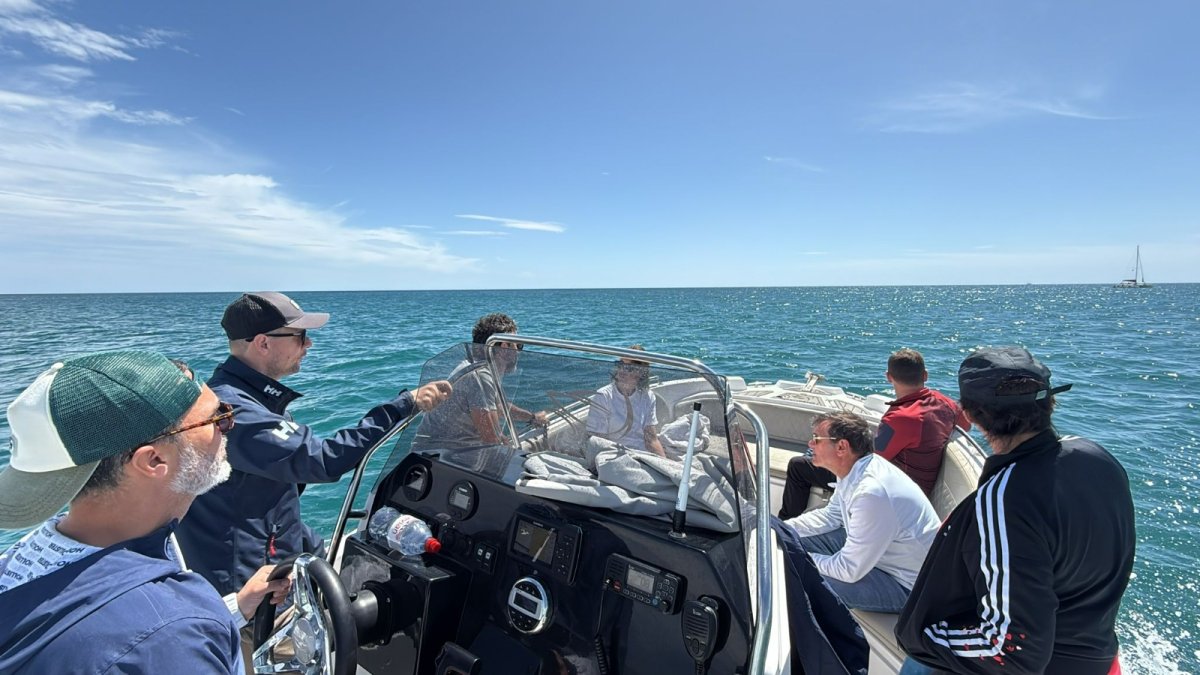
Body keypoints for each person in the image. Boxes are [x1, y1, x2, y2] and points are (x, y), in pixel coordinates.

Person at [0, 351, 289, 673]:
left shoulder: (30, 554)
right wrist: (193, 618)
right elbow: (152, 636)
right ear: (154, 461)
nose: (227, 427)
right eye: (217, 418)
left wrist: (235, 608)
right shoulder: (171, 633)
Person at [174, 293, 451, 615]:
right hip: (254, 593)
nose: (309, 346)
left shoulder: (247, 399)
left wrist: (308, 547)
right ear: (263, 343)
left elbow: (269, 491)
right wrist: (403, 405)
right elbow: (323, 459)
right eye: (300, 337)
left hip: (272, 566)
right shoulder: (238, 412)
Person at [895, 347, 1135, 674]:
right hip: (1100, 657)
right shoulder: (1098, 458)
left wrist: (919, 634)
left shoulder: (1003, 498)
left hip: (1050, 666)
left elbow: (1009, 650)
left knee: (918, 664)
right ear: (1049, 402)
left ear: (971, 415)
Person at [779, 348, 969, 518]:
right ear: (925, 375)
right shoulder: (945, 403)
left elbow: (869, 461)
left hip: (890, 493)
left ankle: (785, 524)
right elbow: (966, 425)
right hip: (913, 488)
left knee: (799, 466)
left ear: (888, 377)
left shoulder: (902, 418)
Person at [782, 411, 940, 613]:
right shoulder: (853, 469)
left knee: (799, 577)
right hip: (881, 558)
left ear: (842, 447)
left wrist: (798, 557)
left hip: (908, 586)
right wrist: (781, 530)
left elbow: (848, 570)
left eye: (816, 439)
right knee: (784, 542)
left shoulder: (871, 493)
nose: (810, 444)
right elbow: (831, 516)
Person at [414, 312, 546, 449]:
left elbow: (498, 406)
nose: (518, 352)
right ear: (504, 346)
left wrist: (532, 417)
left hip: (447, 449)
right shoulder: (480, 376)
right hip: (440, 455)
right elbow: (491, 439)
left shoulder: (479, 367)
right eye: (518, 345)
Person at [585, 346, 667, 457]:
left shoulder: (647, 396)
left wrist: (664, 463)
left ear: (640, 373)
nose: (622, 371)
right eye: (620, 365)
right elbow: (598, 443)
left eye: (629, 368)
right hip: (614, 455)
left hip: (642, 456)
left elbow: (651, 440)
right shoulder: (603, 396)